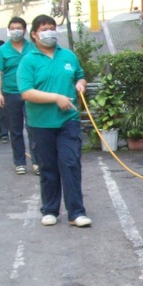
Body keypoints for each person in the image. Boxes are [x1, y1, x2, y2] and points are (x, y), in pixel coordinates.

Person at [17, 14, 91, 228]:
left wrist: (81, 84)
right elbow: (26, 92)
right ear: (34, 34)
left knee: (70, 164)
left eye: (52, 28)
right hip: (40, 123)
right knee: (48, 167)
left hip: (69, 121)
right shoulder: (29, 61)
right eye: (44, 29)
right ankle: (50, 209)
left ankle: (76, 212)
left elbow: (80, 75)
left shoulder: (68, 56)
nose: (49, 32)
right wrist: (55, 98)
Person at [0, 17, 36, 174]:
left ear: (25, 30)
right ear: (9, 30)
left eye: (18, 28)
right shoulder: (3, 51)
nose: (15, 31)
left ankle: (37, 161)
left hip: (31, 93)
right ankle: (20, 162)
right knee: (15, 130)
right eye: (12, 28)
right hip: (10, 93)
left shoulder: (33, 47)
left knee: (33, 127)